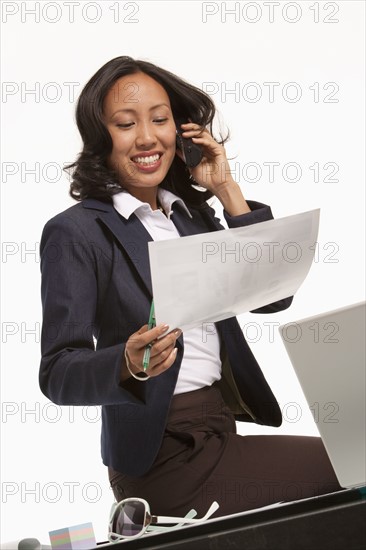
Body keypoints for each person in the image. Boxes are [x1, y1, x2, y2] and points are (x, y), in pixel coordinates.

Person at [39, 56, 341, 519]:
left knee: (345, 475)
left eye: (159, 120)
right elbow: (57, 372)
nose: (147, 137)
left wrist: (226, 190)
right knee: (348, 464)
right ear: (101, 139)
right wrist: (125, 362)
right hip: (161, 456)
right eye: (126, 123)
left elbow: (274, 296)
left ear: (178, 132)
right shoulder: (77, 232)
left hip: (220, 433)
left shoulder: (189, 218)